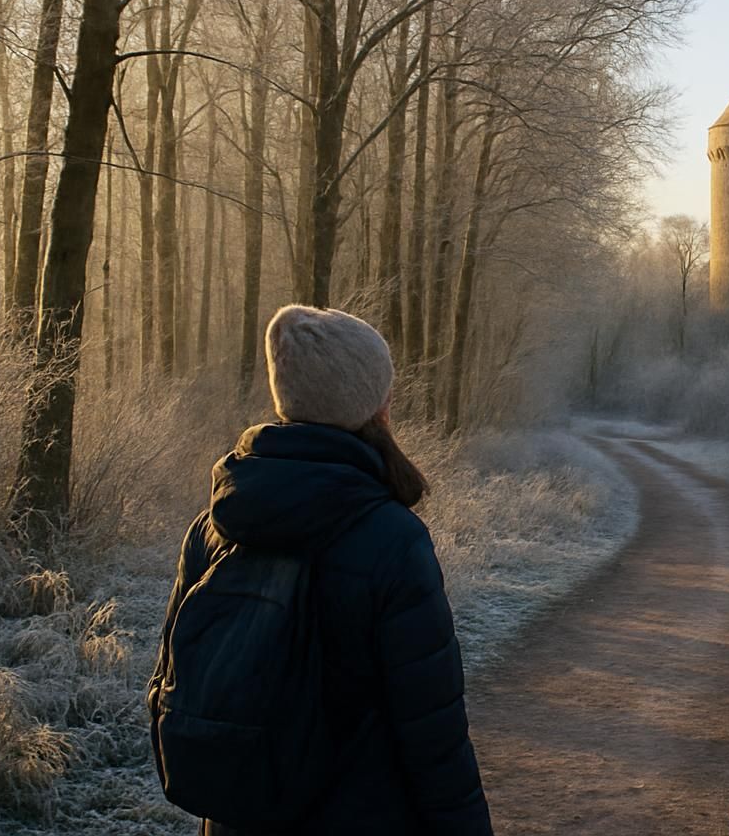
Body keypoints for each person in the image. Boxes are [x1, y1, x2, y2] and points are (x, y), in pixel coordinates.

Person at [150, 305, 492, 836]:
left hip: (237, 818)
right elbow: (433, 735)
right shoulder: (393, 539)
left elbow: (167, 679)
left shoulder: (216, 524)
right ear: (376, 404)